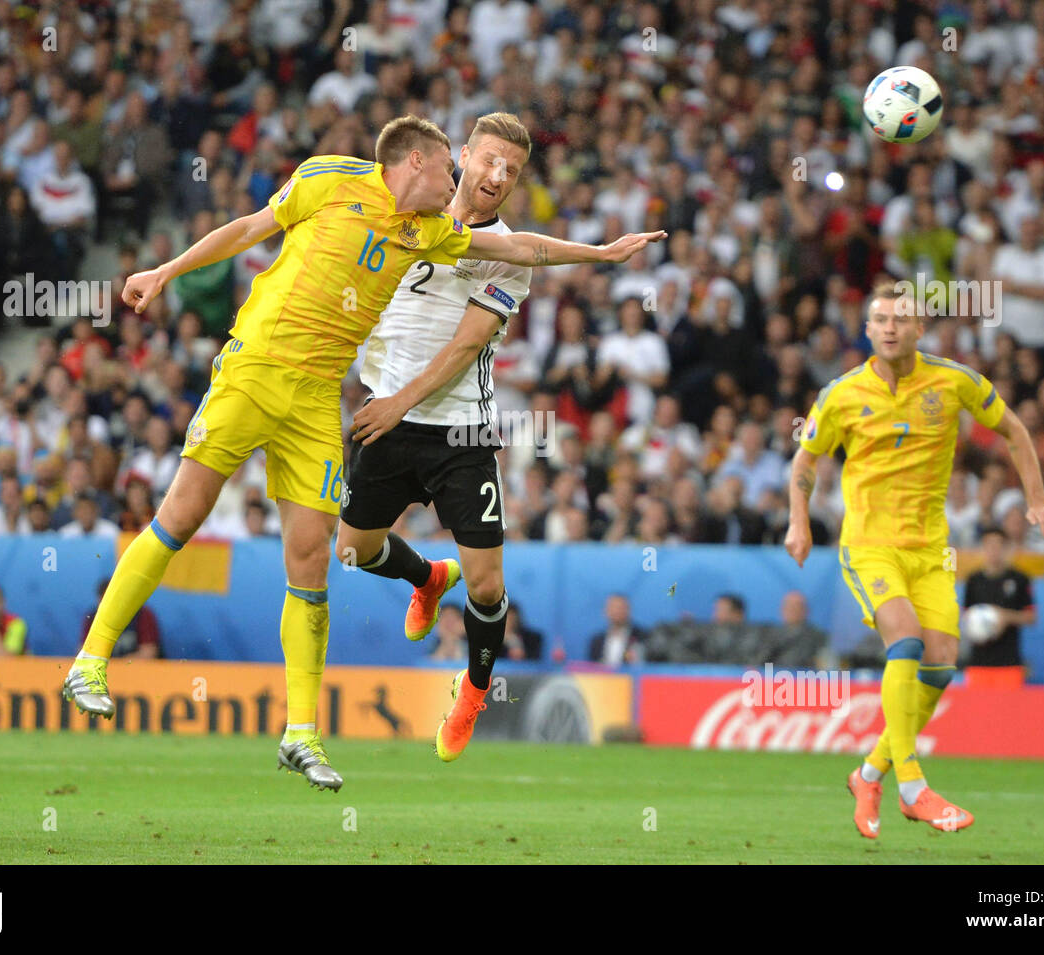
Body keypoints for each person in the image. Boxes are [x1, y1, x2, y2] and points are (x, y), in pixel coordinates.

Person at [62, 115, 664, 793]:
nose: (470, 182)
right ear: (422, 162)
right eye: (459, 168)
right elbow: (251, 227)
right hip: (266, 374)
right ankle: (91, 658)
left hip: (369, 410)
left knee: (324, 558)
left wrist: (603, 254)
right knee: (191, 514)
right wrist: (168, 269)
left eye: (505, 171)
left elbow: (520, 254)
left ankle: (312, 729)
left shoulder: (437, 233)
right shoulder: (330, 180)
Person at [786, 279, 1044, 838]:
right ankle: (911, 787)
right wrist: (798, 519)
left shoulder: (954, 380)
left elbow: (1013, 428)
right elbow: (805, 462)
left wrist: (1036, 498)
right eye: (880, 320)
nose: (890, 328)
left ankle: (869, 773)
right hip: (869, 546)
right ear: (866, 330)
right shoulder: (841, 393)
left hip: (934, 551)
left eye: (900, 319)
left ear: (919, 328)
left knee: (938, 666)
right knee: (905, 642)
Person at [335, 113, 533, 761]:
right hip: (384, 420)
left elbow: (465, 344)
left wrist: (396, 403)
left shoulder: (509, 253)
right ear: (466, 156)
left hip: (460, 431)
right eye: (491, 161)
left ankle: (473, 693)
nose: (498, 176)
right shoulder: (408, 220)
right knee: (354, 551)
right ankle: (424, 577)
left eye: (512, 169)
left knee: (485, 585)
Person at [962, 526, 1036, 669]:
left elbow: (1031, 617)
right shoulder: (973, 580)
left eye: (998, 545)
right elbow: (965, 615)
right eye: (989, 545)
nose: (993, 550)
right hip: (978, 662)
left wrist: (1005, 616)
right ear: (982, 549)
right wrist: (979, 624)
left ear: (1006, 549)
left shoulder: (1020, 579)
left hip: (1009, 662)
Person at [81, 579, 160, 659]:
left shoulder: (142, 615)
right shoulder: (93, 618)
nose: (109, 608)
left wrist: (118, 665)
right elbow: (84, 654)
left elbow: (149, 653)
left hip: (135, 669)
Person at [587, 593, 646, 666]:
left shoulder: (641, 636)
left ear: (628, 610)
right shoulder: (597, 641)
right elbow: (591, 668)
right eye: (613, 607)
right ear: (605, 611)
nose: (617, 611)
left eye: (621, 608)